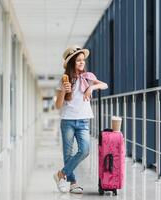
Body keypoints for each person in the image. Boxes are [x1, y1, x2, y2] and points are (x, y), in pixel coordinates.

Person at [53, 45, 108, 194]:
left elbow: (105, 85)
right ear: (72, 63)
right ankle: (72, 183)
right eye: (78, 61)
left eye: (83, 60)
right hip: (68, 120)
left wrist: (91, 88)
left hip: (83, 120)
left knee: (84, 150)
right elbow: (58, 105)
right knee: (68, 154)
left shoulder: (88, 77)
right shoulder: (64, 80)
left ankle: (61, 174)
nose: (82, 63)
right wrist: (64, 91)